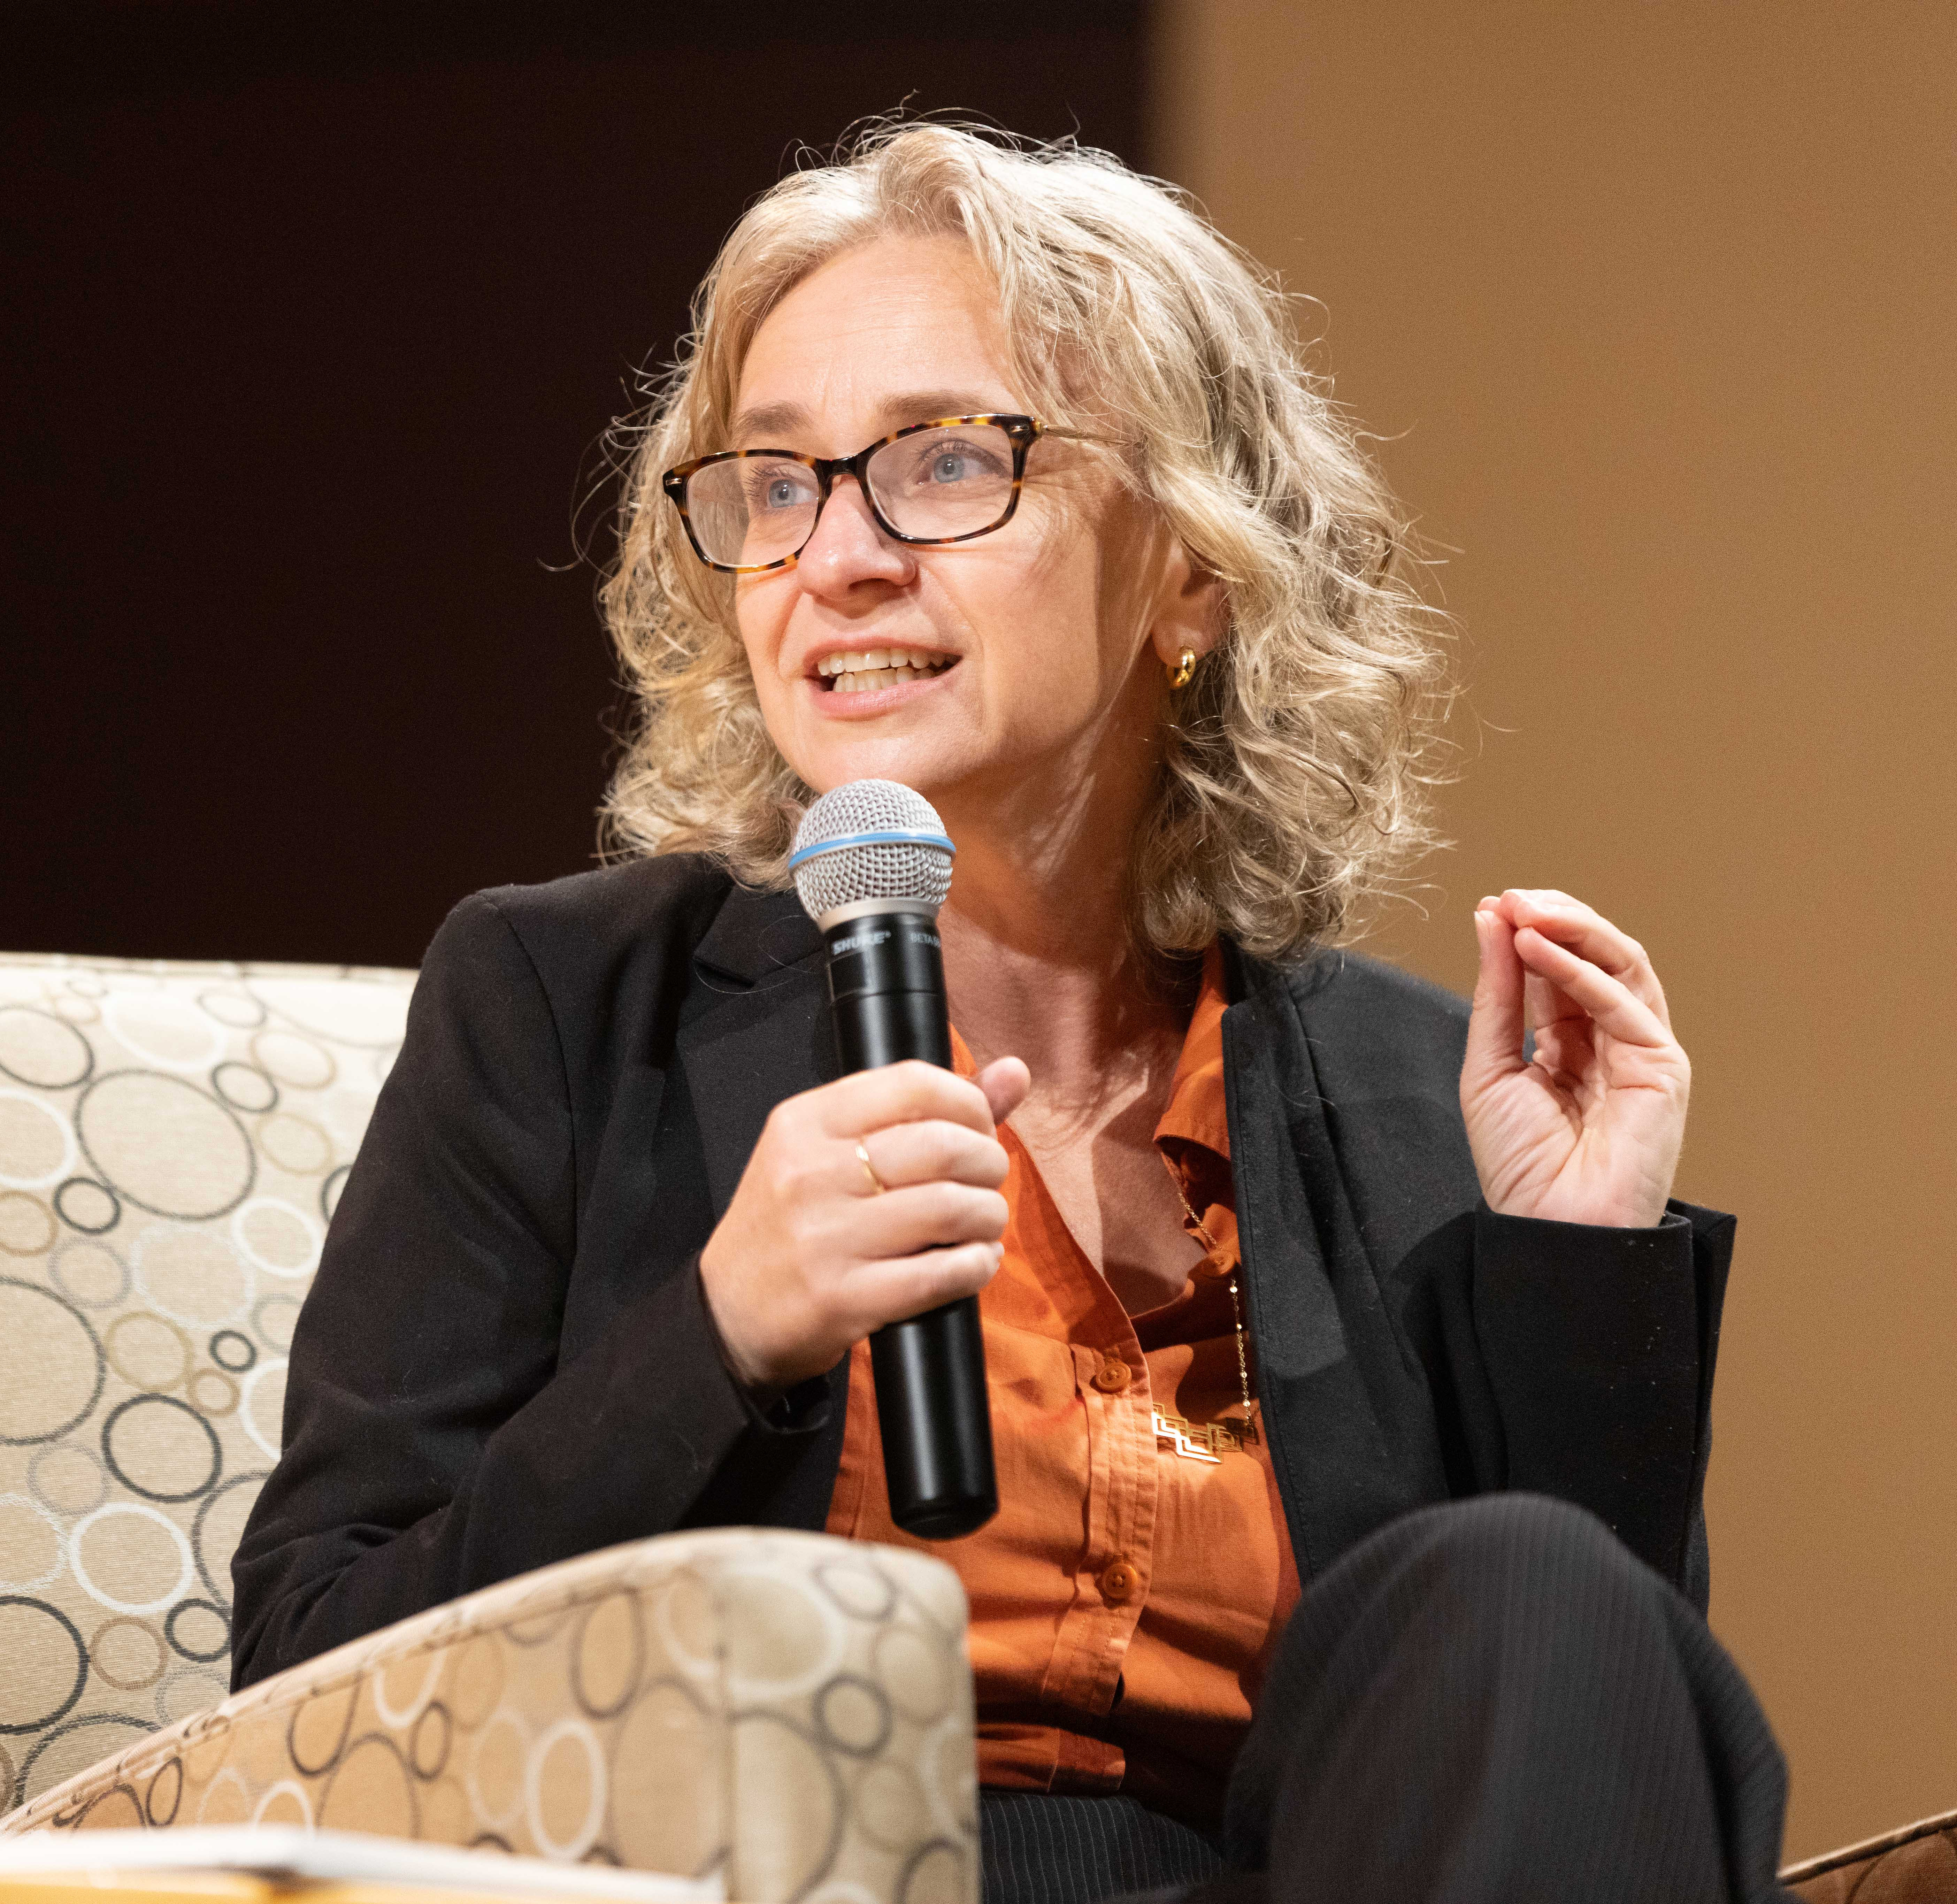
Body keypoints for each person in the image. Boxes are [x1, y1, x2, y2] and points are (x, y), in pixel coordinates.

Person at [230, 124, 1790, 1904]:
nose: (836, 555)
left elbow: (1586, 1775)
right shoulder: (563, 1006)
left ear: (1190, 568)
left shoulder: (1404, 1091)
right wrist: (719, 1334)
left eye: (944, 460)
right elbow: (309, 1673)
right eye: (775, 483)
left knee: (1524, 1585)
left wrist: (1573, 1280)